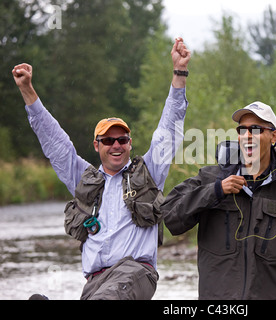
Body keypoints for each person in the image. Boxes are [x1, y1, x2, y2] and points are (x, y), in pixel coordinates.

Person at [12, 38, 191, 300]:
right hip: (95, 281)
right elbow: (55, 143)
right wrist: (27, 90)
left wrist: (179, 73)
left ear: (130, 144)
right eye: (108, 140)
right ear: (97, 146)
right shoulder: (83, 179)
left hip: (136, 273)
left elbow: (169, 129)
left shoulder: (149, 172)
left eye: (122, 140)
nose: (116, 145)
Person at [161, 101, 276, 300]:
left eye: (256, 129)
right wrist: (216, 191)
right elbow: (171, 217)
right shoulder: (210, 179)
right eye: (242, 129)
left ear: (274, 136)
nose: (247, 136)